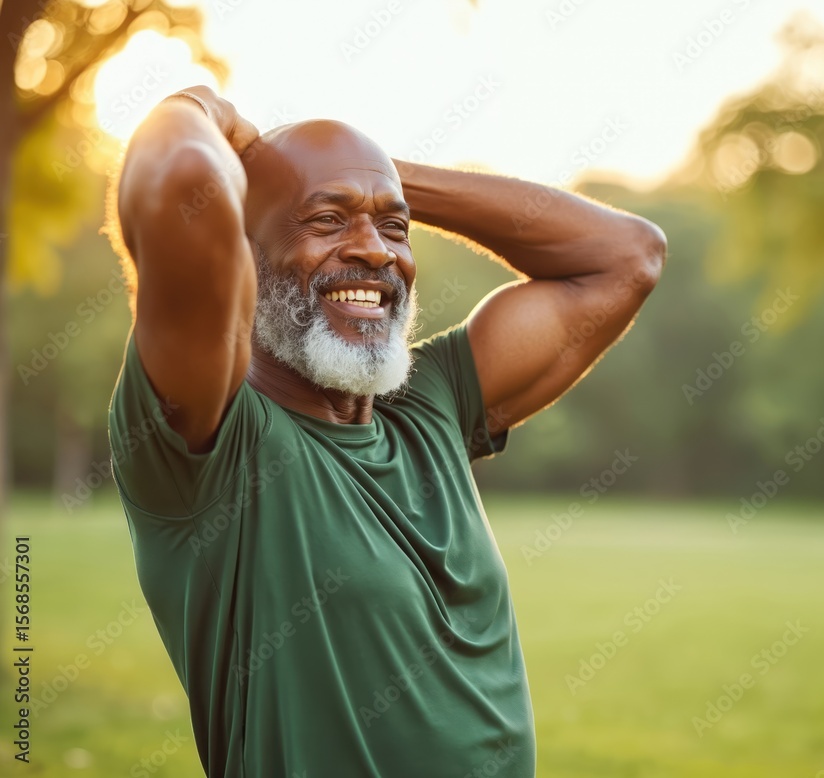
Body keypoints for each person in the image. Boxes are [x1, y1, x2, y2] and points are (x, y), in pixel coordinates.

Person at [107, 85, 666, 778]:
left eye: (393, 229)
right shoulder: (212, 437)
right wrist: (203, 108)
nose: (374, 252)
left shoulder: (432, 401)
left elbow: (628, 256)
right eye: (327, 219)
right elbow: (177, 189)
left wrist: (377, 179)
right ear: (247, 254)